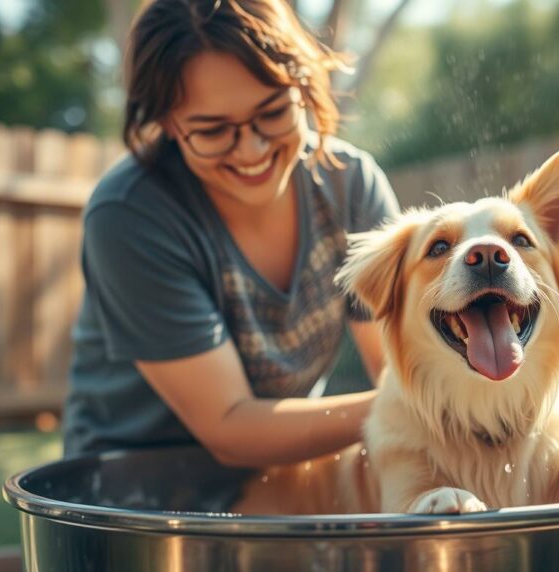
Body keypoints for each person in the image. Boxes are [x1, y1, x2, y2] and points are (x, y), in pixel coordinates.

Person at [61, 0, 399, 482]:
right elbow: (230, 428)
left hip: (283, 477)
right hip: (130, 494)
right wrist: (413, 410)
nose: (252, 149)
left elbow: (400, 365)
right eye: (213, 130)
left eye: (273, 112)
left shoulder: (351, 186)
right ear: (169, 124)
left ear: (303, 89)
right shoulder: (129, 217)